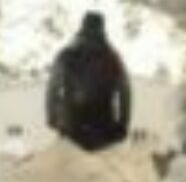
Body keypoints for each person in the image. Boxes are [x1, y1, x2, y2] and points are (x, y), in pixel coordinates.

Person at [47, 10, 131, 152]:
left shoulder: (66, 55)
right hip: (104, 130)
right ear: (103, 29)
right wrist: (122, 125)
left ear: (82, 27)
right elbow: (125, 93)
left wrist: (53, 119)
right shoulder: (112, 58)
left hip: (71, 129)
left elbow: (52, 90)